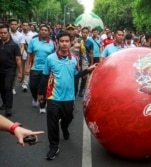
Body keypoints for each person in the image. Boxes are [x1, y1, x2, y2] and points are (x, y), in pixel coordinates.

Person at [37, 31, 97, 160]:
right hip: (53, 97)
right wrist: (40, 93)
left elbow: (76, 75)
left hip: (69, 97)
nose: (64, 43)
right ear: (57, 43)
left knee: (68, 118)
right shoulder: (50, 58)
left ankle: (64, 126)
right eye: (62, 41)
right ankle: (54, 147)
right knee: (52, 123)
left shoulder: (74, 59)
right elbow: (45, 76)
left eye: (67, 41)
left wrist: (88, 70)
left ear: (70, 43)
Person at [25, 25, 55, 113]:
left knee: (44, 88)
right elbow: (29, 55)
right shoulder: (33, 41)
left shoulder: (52, 43)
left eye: (46, 30)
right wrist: (27, 67)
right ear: (39, 31)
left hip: (47, 70)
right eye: (42, 30)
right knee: (33, 86)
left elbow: (54, 57)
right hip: (35, 68)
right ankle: (35, 98)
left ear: (49, 32)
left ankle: (42, 106)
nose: (44, 31)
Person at [0, 24, 23, 116]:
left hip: (10, 70)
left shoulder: (14, 45)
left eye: (4, 33)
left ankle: (8, 108)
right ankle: (5, 103)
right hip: (0, 70)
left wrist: (21, 72)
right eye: (1, 33)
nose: (2, 35)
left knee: (8, 87)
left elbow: (18, 59)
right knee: (1, 88)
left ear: (8, 33)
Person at [9, 18, 25, 95]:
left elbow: (22, 46)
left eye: (15, 24)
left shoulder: (20, 35)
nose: (14, 26)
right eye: (12, 24)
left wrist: (19, 54)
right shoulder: (5, 33)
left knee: (14, 73)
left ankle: (12, 87)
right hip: (5, 56)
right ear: (9, 25)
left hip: (16, 57)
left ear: (18, 25)